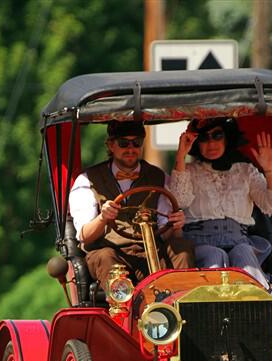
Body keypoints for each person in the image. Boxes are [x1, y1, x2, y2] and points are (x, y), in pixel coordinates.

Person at [68, 120, 195, 285]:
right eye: (123, 143)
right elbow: (85, 236)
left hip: (151, 252)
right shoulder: (87, 180)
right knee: (106, 257)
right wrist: (103, 218)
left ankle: (178, 304)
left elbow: (166, 231)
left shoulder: (157, 176)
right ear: (111, 145)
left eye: (136, 143)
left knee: (182, 248)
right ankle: (121, 306)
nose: (130, 149)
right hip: (111, 254)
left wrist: (175, 225)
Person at [170, 118, 272, 288]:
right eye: (204, 138)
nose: (211, 143)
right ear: (197, 142)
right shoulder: (189, 171)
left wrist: (269, 170)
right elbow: (178, 200)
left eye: (217, 135)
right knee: (215, 255)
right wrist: (180, 157)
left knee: (243, 252)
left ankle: (260, 301)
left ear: (227, 138)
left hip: (239, 241)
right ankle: (209, 305)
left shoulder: (245, 171)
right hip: (200, 243)